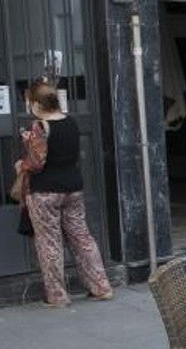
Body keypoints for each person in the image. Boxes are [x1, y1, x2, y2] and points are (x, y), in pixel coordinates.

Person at [15, 80, 113, 308]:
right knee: (82, 238)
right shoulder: (71, 122)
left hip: (45, 192)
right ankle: (101, 287)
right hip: (73, 188)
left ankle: (57, 296)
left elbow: (36, 163)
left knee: (49, 243)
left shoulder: (40, 127)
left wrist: (21, 164)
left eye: (30, 102)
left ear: (37, 104)